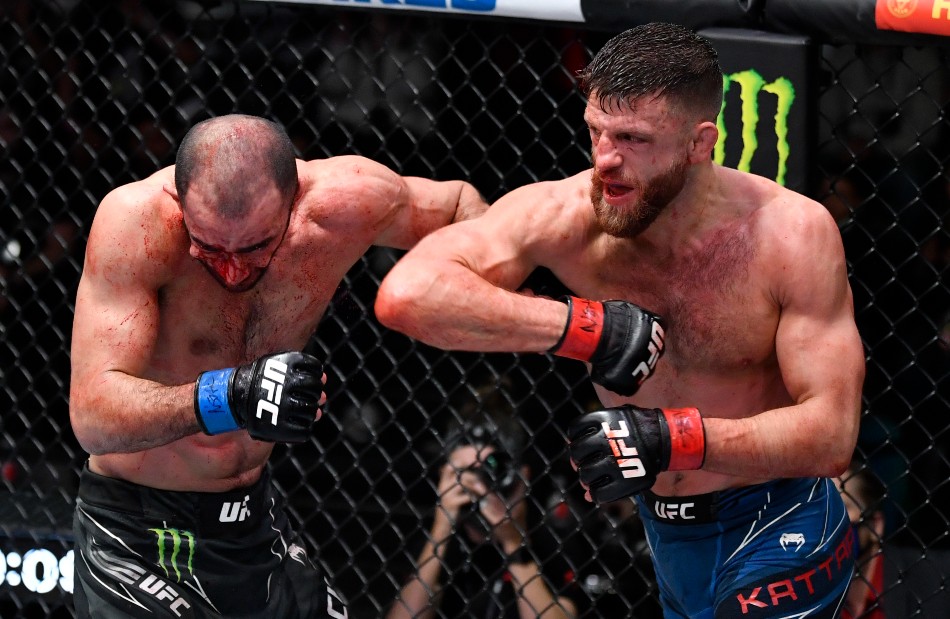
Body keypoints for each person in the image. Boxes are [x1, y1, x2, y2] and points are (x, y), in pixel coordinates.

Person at [375, 22, 866, 618]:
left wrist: (673, 438)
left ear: (699, 142)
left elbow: (832, 433)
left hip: (777, 518)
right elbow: (407, 294)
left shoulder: (791, 234)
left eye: (632, 138)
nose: (605, 159)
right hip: (664, 531)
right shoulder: (569, 215)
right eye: (595, 131)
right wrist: (585, 328)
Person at [68, 113, 488, 618]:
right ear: (180, 204)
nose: (232, 268)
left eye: (255, 246)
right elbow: (93, 416)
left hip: (252, 520)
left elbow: (466, 210)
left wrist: (503, 292)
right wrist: (231, 395)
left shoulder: (344, 202)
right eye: (209, 247)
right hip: (137, 526)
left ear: (295, 203)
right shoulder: (137, 224)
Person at [387, 414, 585, 618]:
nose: (479, 486)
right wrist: (442, 528)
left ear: (519, 477)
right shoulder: (438, 545)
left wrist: (514, 542)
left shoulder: (551, 543)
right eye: (466, 472)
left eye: (490, 471)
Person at [836, 459, 950, 618]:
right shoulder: (803, 593)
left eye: (838, 507)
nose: (826, 522)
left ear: (875, 526)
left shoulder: (936, 578)